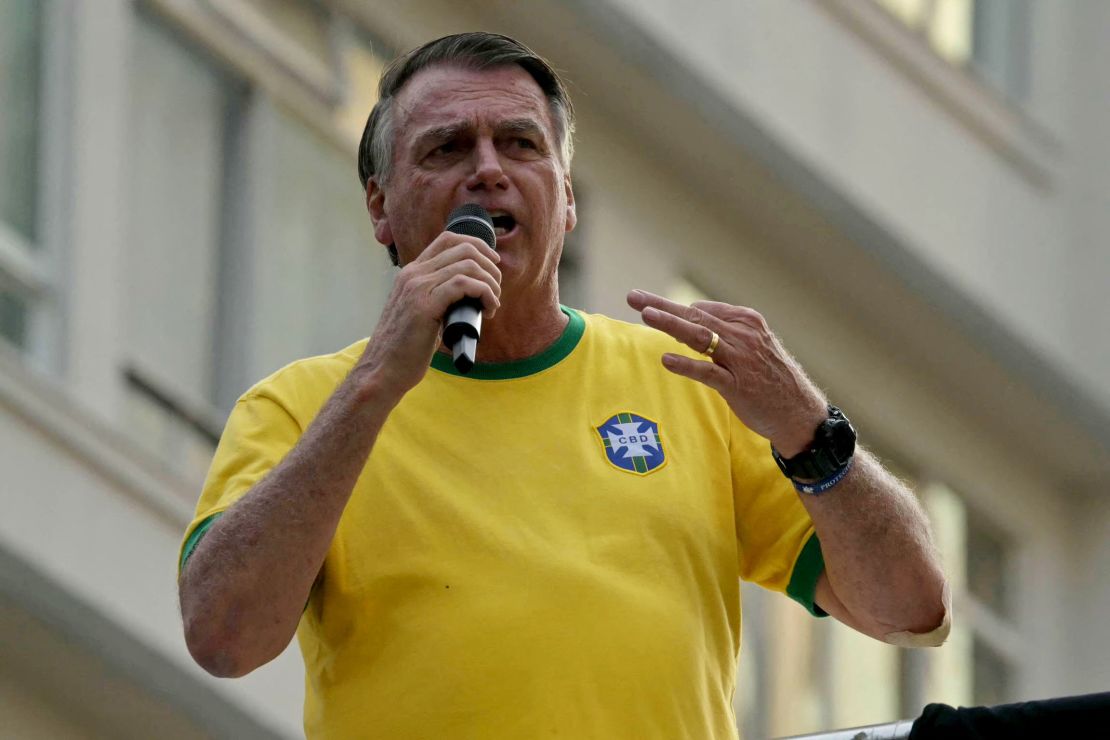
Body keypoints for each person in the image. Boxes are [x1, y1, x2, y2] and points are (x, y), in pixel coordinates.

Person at [178, 32, 949, 739]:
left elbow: (911, 609)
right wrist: (377, 382)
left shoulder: (687, 386)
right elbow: (223, 636)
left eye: (520, 144)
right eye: (446, 149)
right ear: (380, 206)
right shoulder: (304, 406)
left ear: (568, 196)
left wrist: (808, 429)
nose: (488, 169)